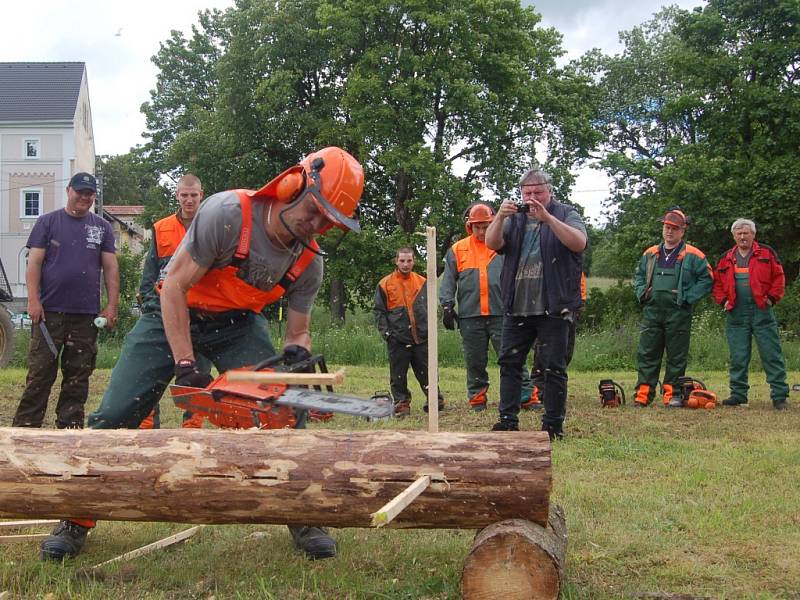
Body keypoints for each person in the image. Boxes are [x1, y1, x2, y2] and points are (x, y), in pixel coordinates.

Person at [39, 147, 364, 563]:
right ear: (291, 185)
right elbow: (173, 286)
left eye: (328, 222)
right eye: (314, 211)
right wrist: (186, 363)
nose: (315, 225)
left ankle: (300, 512)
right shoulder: (228, 213)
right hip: (174, 310)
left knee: (284, 413)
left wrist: (297, 356)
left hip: (237, 325)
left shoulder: (308, 262)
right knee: (116, 411)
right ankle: (76, 516)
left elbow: (298, 330)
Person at [485, 167, 586, 439]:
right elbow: (492, 243)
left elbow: (578, 243)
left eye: (538, 192)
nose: (532, 197)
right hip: (517, 305)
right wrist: (498, 218)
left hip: (554, 306)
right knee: (509, 363)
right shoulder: (514, 219)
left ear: (549, 191)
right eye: (527, 192)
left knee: (553, 367)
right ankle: (507, 421)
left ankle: (552, 426)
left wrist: (548, 219)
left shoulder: (566, 214)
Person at [12, 172, 118, 429]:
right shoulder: (47, 222)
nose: (85, 197)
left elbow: (111, 268)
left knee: (77, 379)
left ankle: (69, 433)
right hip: (49, 314)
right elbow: (34, 263)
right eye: (80, 191)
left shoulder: (101, 227)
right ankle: (24, 433)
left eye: (89, 193)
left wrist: (111, 306)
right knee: (39, 377)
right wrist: (33, 300)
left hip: (85, 317)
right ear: (68, 190)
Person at [133, 174, 210, 429]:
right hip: (164, 313)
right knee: (150, 370)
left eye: (194, 195)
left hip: (200, 313)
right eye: (184, 195)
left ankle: (192, 428)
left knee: (196, 372)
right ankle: (146, 425)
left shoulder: (213, 225)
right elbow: (150, 272)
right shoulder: (161, 228)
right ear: (177, 196)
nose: (189, 200)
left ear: (202, 195)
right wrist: (149, 308)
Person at [633, 208, 713, 407]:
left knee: (676, 356)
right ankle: (643, 395)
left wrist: (688, 297)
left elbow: (708, 279)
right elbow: (639, 277)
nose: (669, 232)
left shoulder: (694, 255)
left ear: (682, 231)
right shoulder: (650, 253)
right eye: (667, 228)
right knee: (647, 353)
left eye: (674, 229)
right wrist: (643, 294)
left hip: (679, 312)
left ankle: (672, 395)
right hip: (652, 311)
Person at [712, 218, 789, 409]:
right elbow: (717, 284)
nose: (742, 236)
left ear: (753, 234)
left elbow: (779, 277)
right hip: (736, 313)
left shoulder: (766, 253)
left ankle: (779, 396)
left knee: (772, 354)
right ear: (733, 236)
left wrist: (771, 298)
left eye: (746, 232)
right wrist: (723, 301)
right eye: (738, 233)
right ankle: (738, 395)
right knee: (738, 356)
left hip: (762, 310)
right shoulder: (725, 258)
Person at [439, 203, 504, 411]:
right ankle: (477, 399)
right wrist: (447, 306)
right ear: (470, 226)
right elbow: (448, 280)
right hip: (470, 315)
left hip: (501, 312)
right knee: (474, 360)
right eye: (478, 227)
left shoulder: (502, 245)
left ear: (493, 223)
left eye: (485, 226)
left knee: (511, 357)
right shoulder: (458, 249)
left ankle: (524, 396)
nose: (482, 231)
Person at [375, 247, 444, 417]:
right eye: (402, 261)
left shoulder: (423, 282)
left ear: (414, 261)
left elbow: (432, 307)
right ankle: (402, 403)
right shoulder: (385, 284)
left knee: (427, 370)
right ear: (396, 261)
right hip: (397, 338)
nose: (405, 264)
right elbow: (379, 312)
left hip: (421, 336)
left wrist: (430, 329)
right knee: (398, 374)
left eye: (409, 260)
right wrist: (387, 334)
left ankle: (435, 399)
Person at [524, 272, 586, 410]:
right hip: (546, 304)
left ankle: (555, 391)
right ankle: (539, 389)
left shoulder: (572, 254)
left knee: (566, 351)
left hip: (570, 303)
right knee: (543, 350)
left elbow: (578, 274)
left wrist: (581, 300)